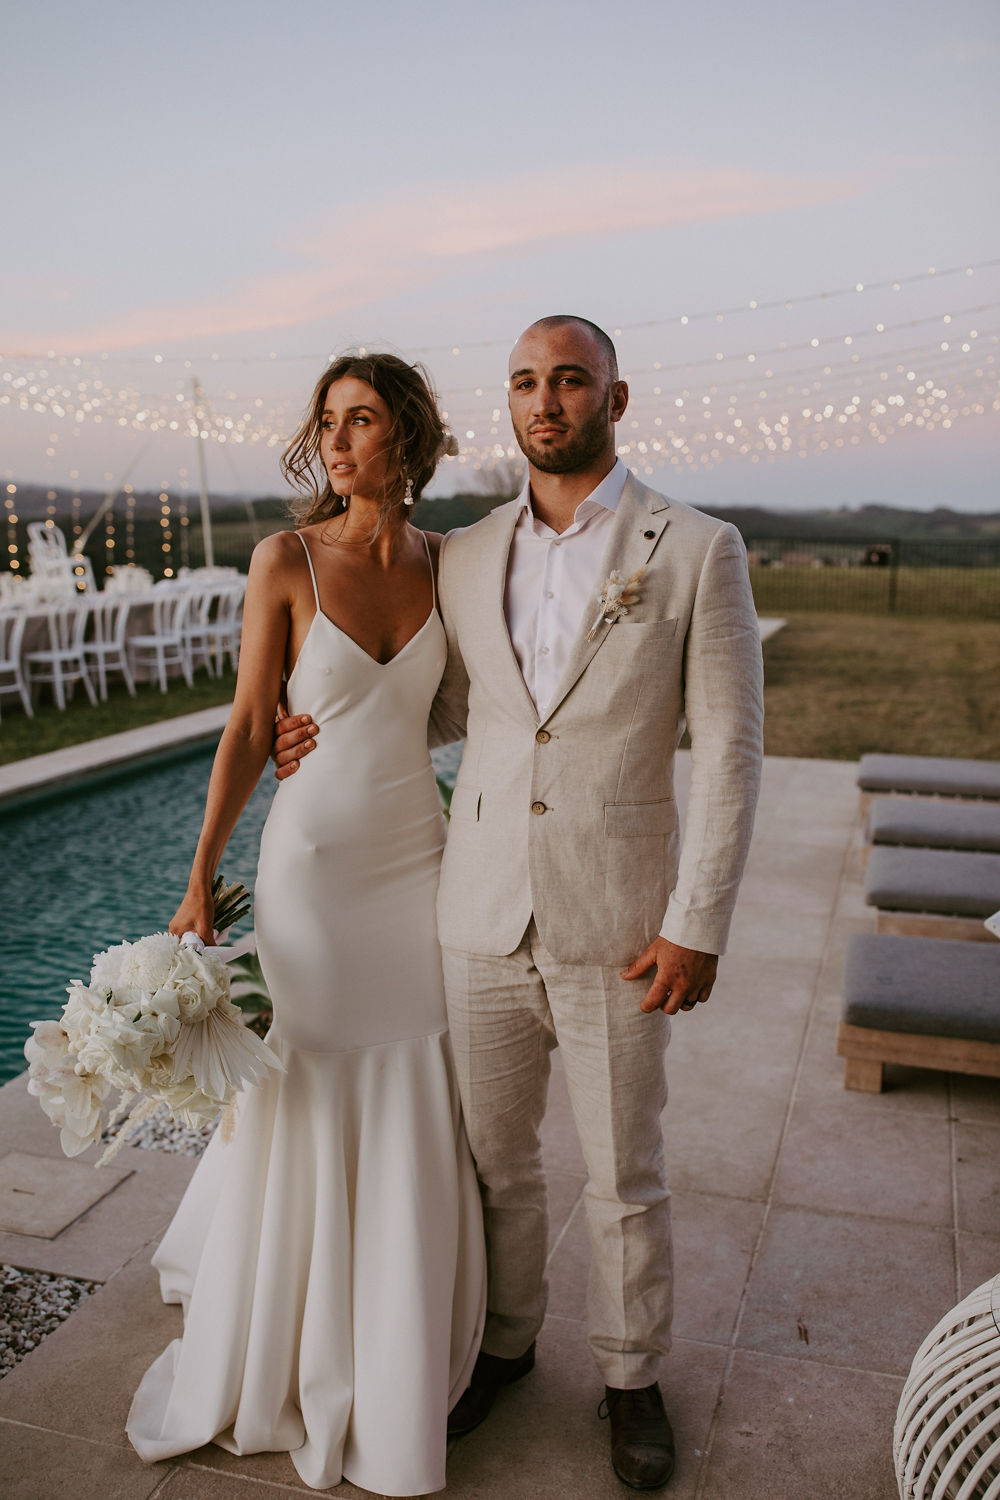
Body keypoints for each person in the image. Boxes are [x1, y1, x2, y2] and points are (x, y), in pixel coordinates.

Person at [277, 316, 764, 1492]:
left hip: (619, 920)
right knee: (495, 1165)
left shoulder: (694, 547)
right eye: (526, 383)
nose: (545, 401)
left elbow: (734, 752)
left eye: (569, 381)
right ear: (506, 403)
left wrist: (695, 920)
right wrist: (321, 725)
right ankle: (504, 1346)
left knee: (621, 1173)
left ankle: (632, 1377)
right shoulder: (468, 549)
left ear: (614, 396)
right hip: (476, 913)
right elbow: (451, 710)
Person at [126, 353, 487, 1496]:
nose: (337, 441)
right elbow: (245, 728)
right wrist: (200, 879)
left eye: (363, 420)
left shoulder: (454, 565)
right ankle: (292, 1337)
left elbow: (461, 714)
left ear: (409, 437)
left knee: (412, 1075)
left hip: (412, 863)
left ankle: (392, 1333)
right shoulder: (284, 558)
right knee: (313, 1079)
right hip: (311, 873)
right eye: (327, 422)